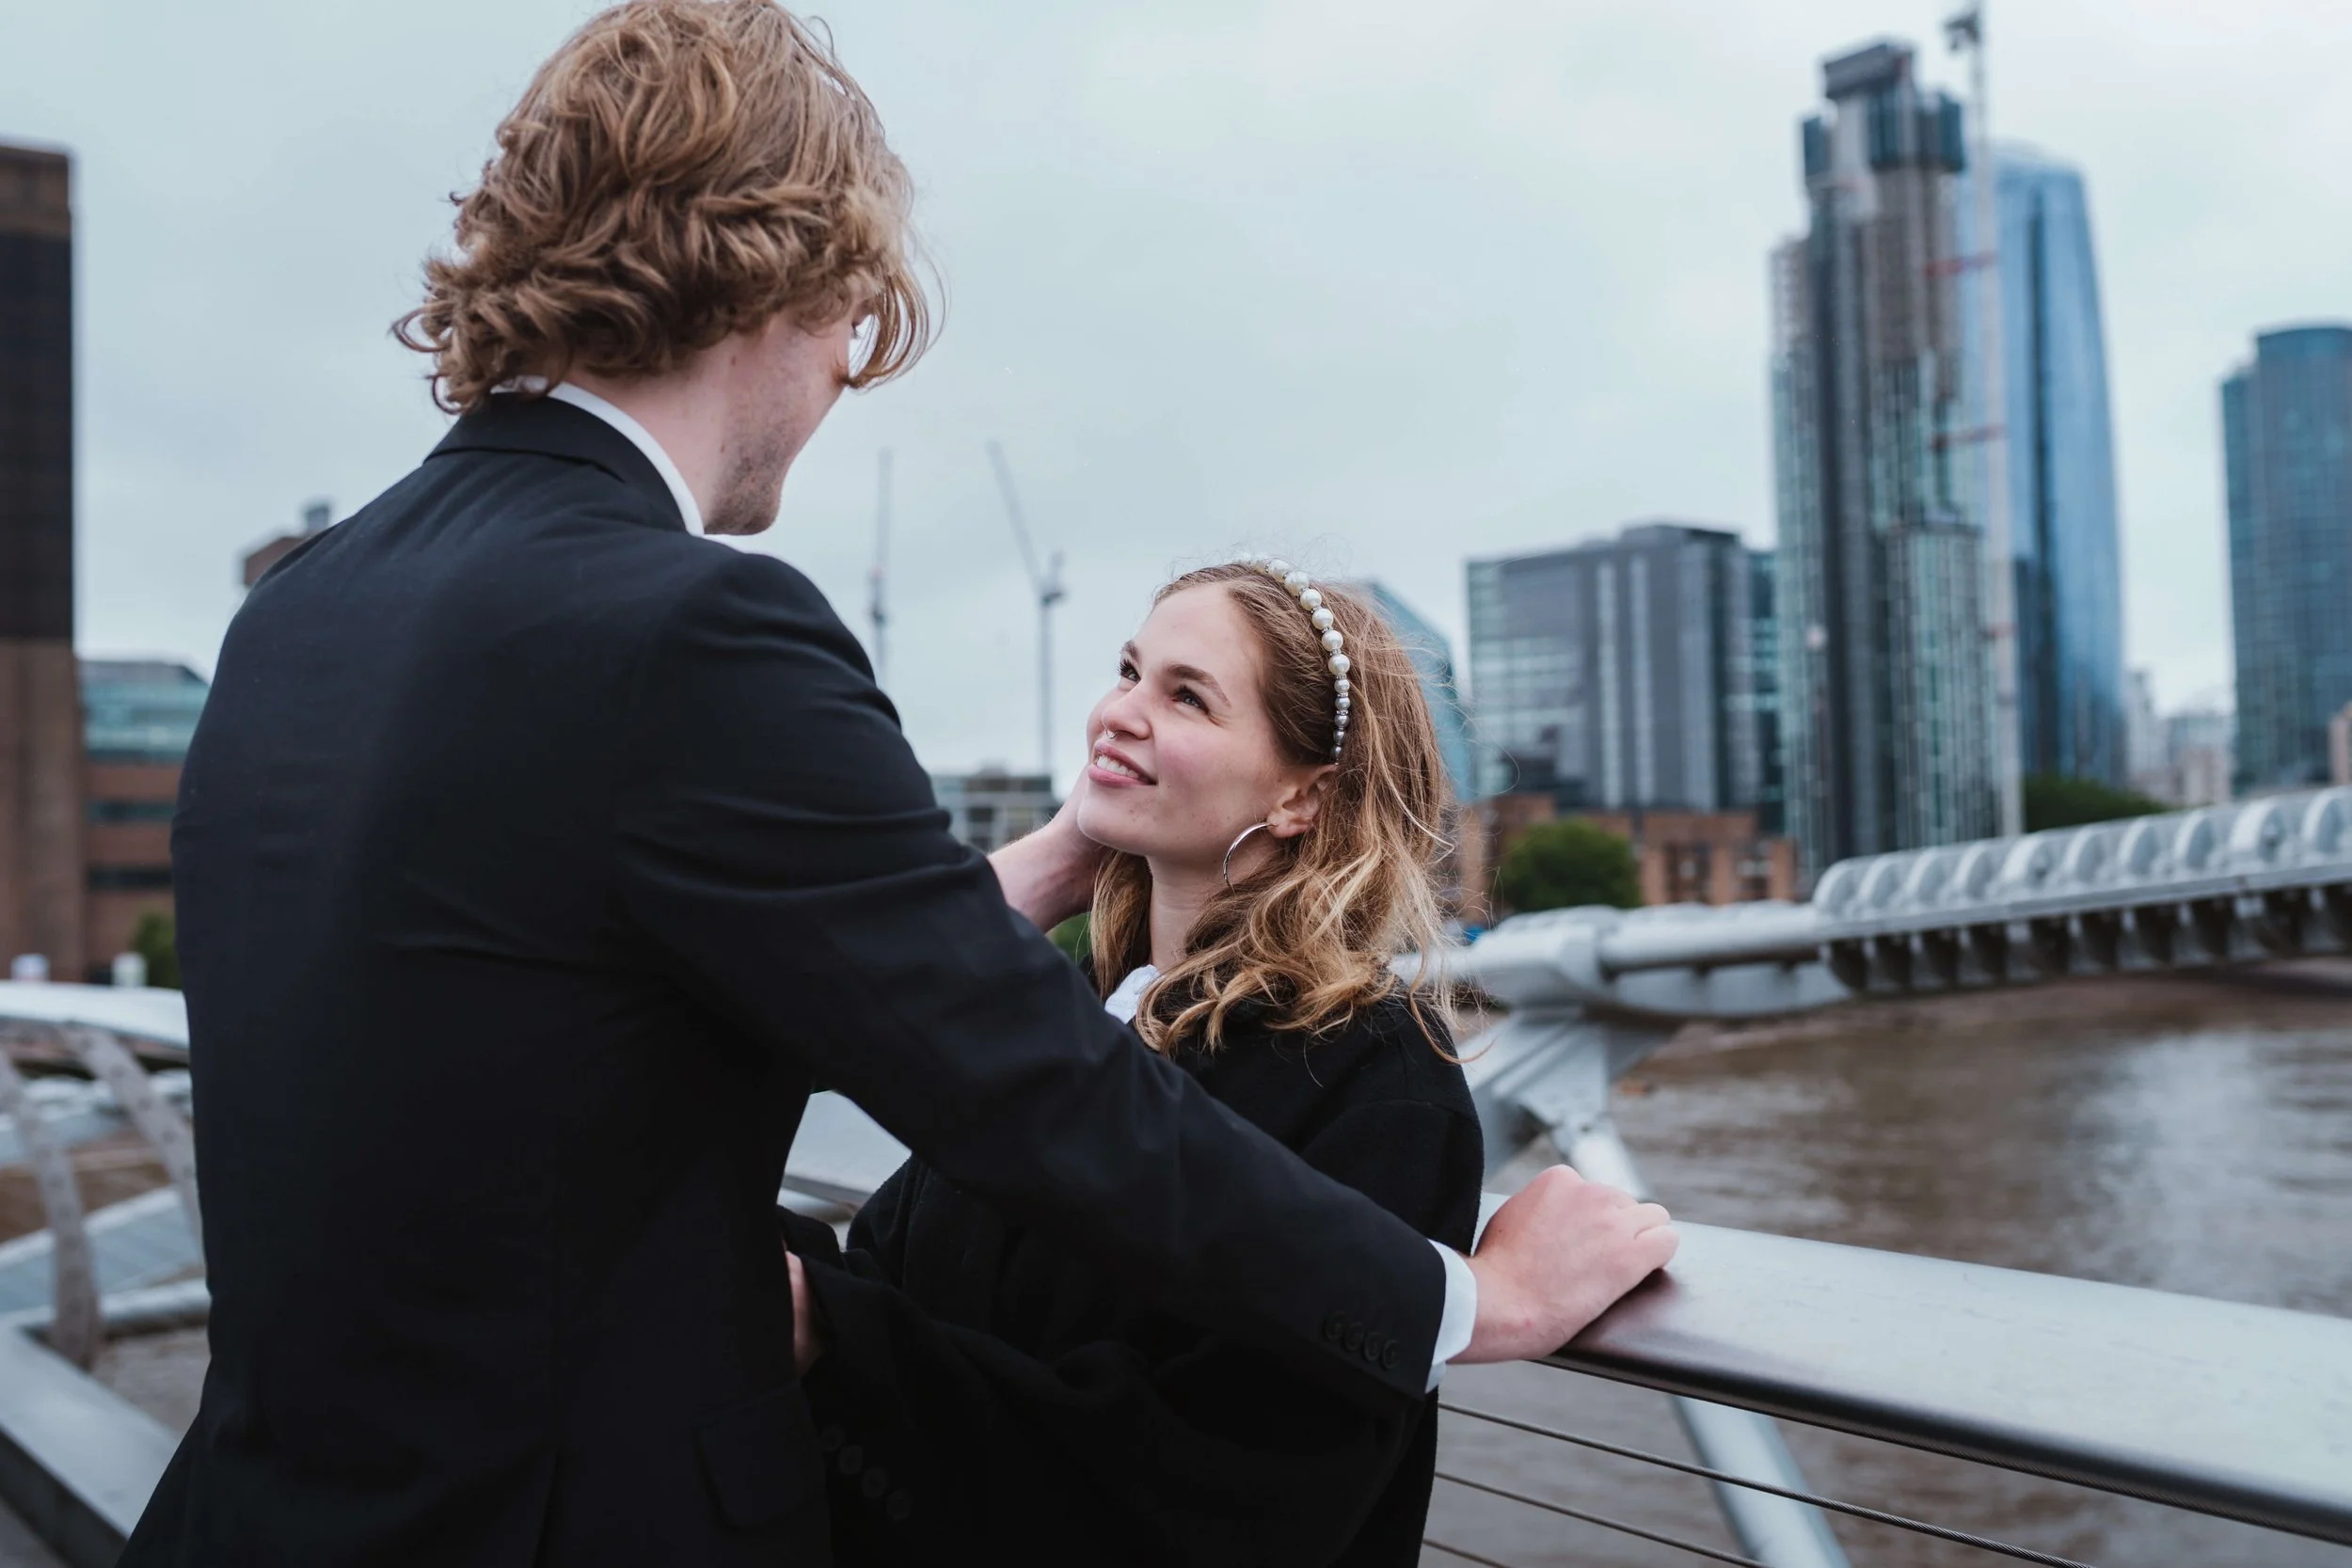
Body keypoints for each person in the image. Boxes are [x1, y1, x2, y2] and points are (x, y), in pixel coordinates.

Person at [119, 6, 1676, 1566]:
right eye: (855, 325)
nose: (842, 382)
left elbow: (627, 973)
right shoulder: (690, 628)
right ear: (786, 277)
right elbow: (1029, 1087)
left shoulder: (300, 615)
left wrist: (1052, 858)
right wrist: (1467, 1296)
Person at [784, 562, 1507, 1565]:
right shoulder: (1072, 1017)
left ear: (1304, 793)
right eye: (1127, 670)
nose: (1118, 711)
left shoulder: (1376, 1074)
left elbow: (1236, 1490)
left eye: (1185, 694)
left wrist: (829, 1331)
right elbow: (890, 1277)